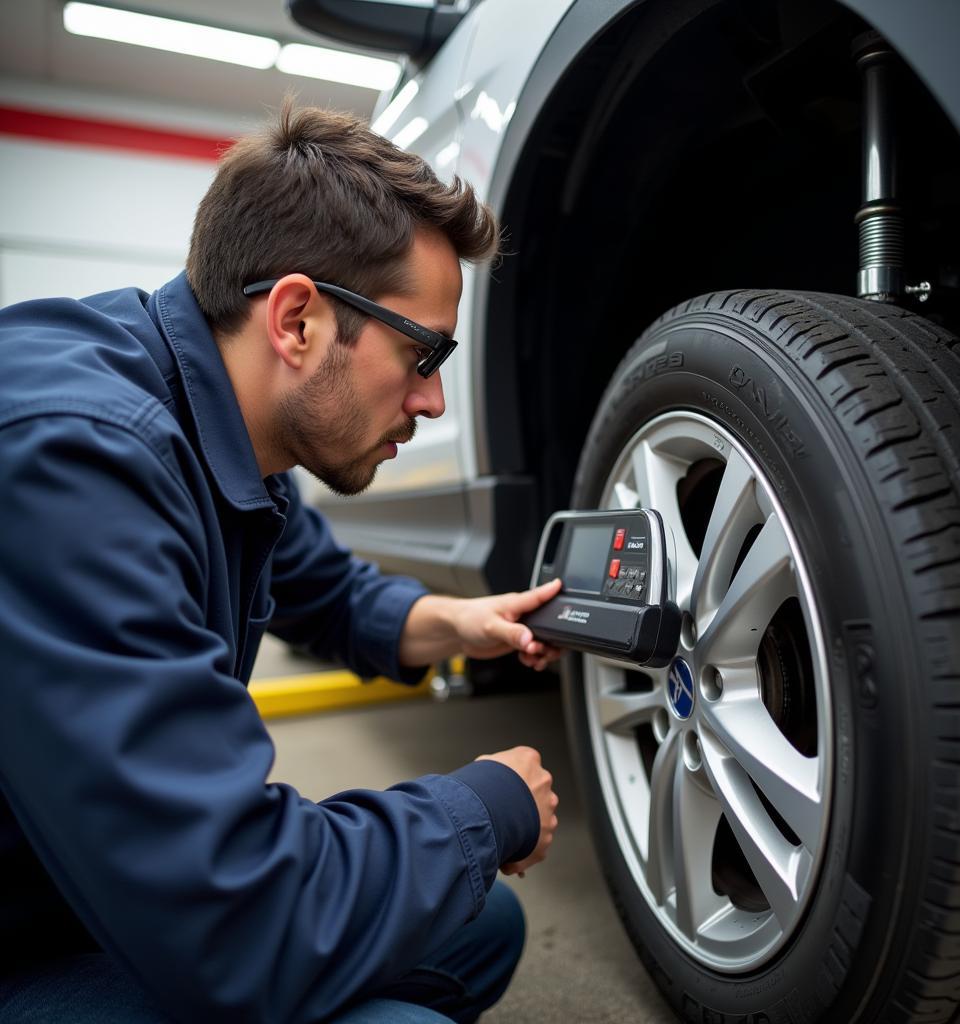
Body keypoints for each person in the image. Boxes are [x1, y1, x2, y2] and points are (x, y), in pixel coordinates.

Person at [0, 102, 563, 1023]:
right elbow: (236, 915)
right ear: (297, 319)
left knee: (482, 923)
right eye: (423, 354)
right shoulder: (75, 461)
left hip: (76, 866)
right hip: (34, 929)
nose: (430, 401)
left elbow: (329, 594)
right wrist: (484, 805)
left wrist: (465, 624)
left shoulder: (221, 425)